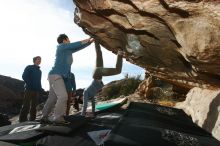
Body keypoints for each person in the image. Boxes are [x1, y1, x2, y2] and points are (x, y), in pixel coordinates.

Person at [41, 34, 94, 123]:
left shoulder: (67, 50)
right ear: (64, 40)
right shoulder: (61, 47)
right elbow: (76, 44)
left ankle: (44, 117)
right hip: (56, 75)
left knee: (52, 98)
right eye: (68, 39)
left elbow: (78, 47)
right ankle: (57, 118)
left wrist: (90, 42)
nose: (69, 40)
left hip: (54, 75)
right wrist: (88, 39)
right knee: (63, 96)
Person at [81, 41, 123, 117]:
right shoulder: (91, 95)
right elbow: (93, 104)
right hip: (96, 72)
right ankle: (96, 39)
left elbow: (85, 105)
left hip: (97, 74)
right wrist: (93, 113)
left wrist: (82, 115)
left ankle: (120, 53)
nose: (84, 99)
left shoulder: (85, 93)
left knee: (118, 71)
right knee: (99, 54)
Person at [19, 56, 43, 122]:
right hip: (29, 89)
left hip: (36, 91)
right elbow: (24, 76)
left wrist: (40, 88)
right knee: (26, 105)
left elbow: (39, 81)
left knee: (34, 106)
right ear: (34, 60)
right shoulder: (29, 67)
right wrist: (30, 84)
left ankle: (32, 120)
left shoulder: (39, 71)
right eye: (38, 59)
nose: (39, 61)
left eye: (40, 60)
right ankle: (22, 120)